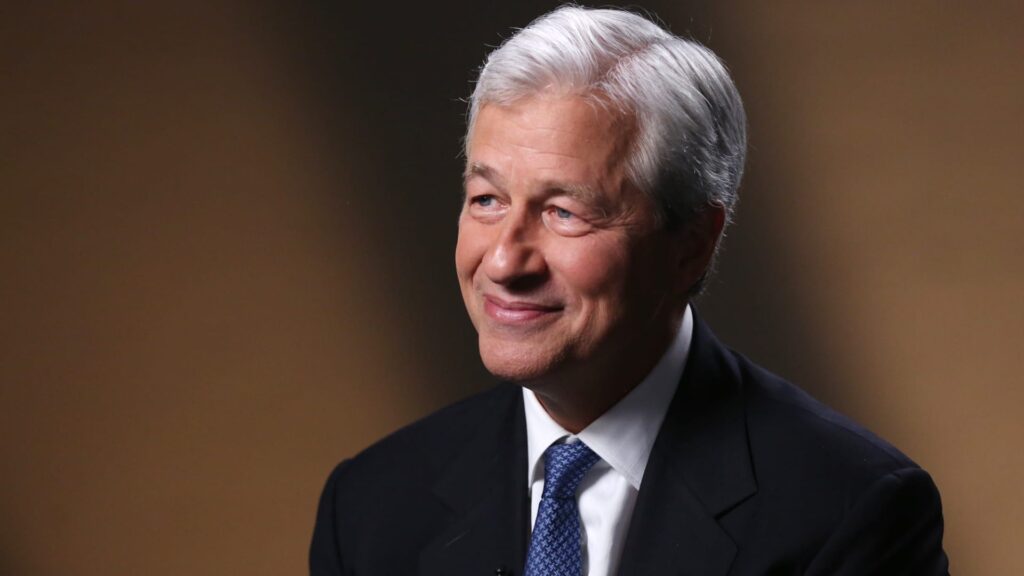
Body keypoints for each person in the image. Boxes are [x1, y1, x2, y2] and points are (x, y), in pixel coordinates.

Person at [310, 6, 949, 575]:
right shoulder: (370, 507)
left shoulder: (853, 512)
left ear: (692, 242)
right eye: (487, 200)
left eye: (564, 212)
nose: (504, 260)